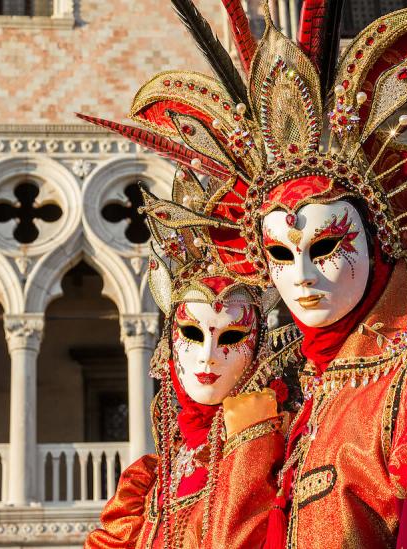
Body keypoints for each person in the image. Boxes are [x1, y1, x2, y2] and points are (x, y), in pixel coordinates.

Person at [80, 0, 407, 546]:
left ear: (378, 240)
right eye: (280, 254)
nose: (302, 274)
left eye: (327, 245)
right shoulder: (307, 409)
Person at [83, 167, 299, 549]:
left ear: (258, 349)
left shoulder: (279, 449)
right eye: (191, 334)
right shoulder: (147, 482)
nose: (208, 357)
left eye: (230, 337)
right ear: (168, 343)